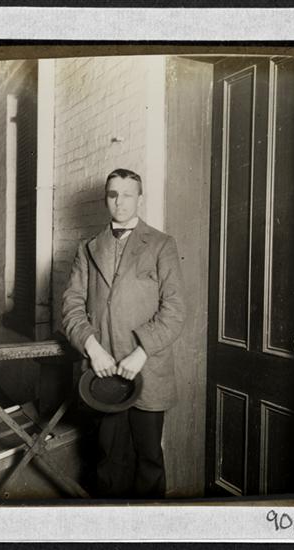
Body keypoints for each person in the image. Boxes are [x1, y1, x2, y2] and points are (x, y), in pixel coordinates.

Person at [61, 168, 186, 498]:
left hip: (148, 370)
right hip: (103, 373)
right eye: (113, 194)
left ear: (139, 199)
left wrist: (141, 353)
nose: (120, 201)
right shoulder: (88, 248)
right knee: (108, 461)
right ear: (106, 199)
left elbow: (175, 311)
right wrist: (93, 348)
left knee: (149, 461)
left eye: (128, 194)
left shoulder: (161, 244)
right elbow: (71, 306)